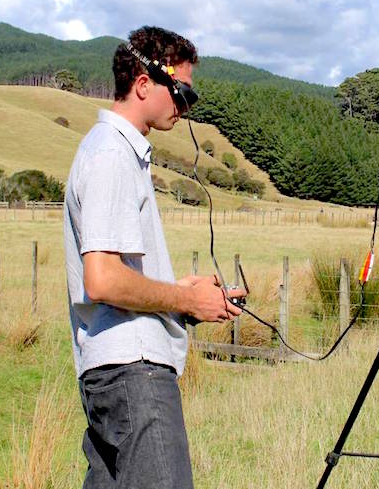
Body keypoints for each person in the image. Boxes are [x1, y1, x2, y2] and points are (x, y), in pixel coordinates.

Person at [63, 25, 244, 489]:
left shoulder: (118, 153)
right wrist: (183, 302)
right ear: (143, 85)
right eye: (181, 92)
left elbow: (120, 273)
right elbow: (102, 279)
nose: (185, 107)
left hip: (117, 370)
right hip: (134, 372)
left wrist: (184, 291)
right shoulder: (111, 155)